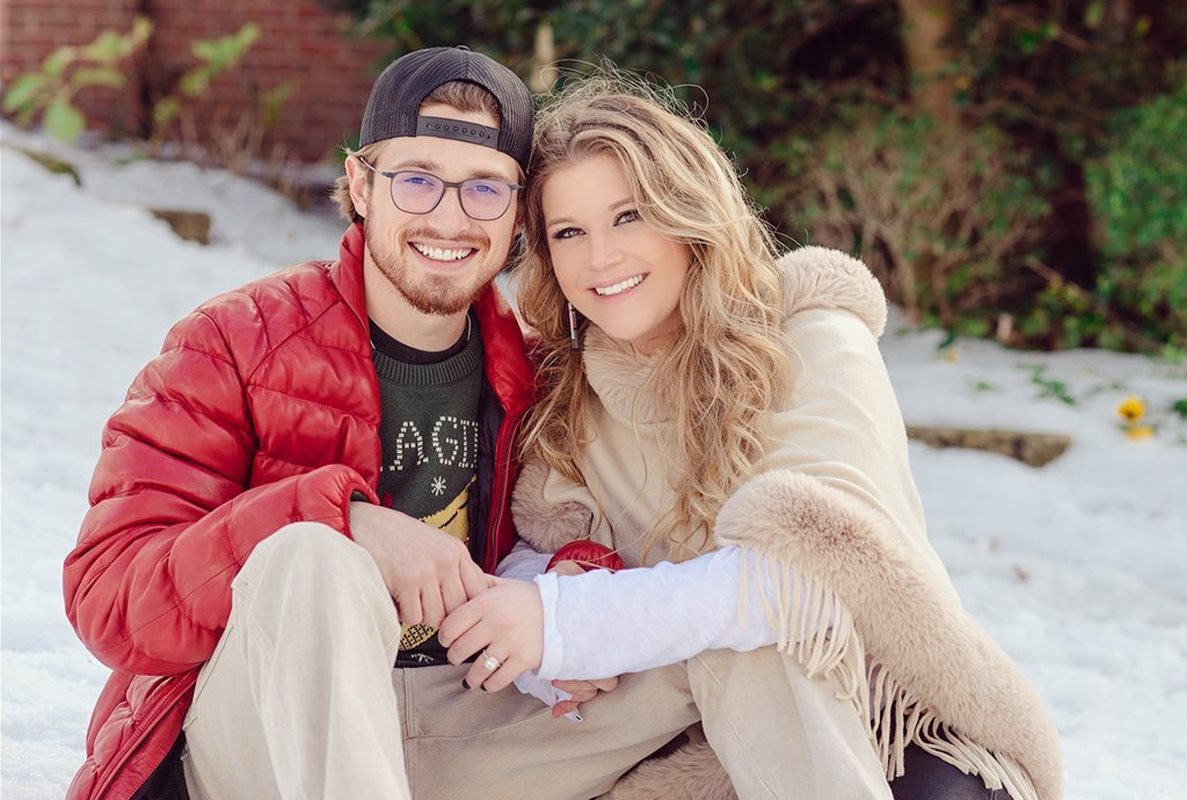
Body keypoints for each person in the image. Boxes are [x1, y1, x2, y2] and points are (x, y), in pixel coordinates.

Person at [438, 74, 1064, 800]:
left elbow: (810, 574)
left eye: (629, 215)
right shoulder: (568, 393)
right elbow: (533, 559)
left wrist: (574, 618)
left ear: (689, 213)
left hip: (887, 725)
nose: (600, 258)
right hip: (685, 752)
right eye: (568, 232)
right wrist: (551, 610)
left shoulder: (812, 337)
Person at [62, 46, 545, 800]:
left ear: (520, 210)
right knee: (315, 559)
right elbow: (111, 600)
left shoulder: (538, 377)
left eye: (485, 188)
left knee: (721, 650)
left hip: (457, 735)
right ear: (359, 182)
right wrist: (341, 519)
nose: (449, 217)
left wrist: (586, 574)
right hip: (253, 744)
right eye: (416, 180)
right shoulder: (236, 341)